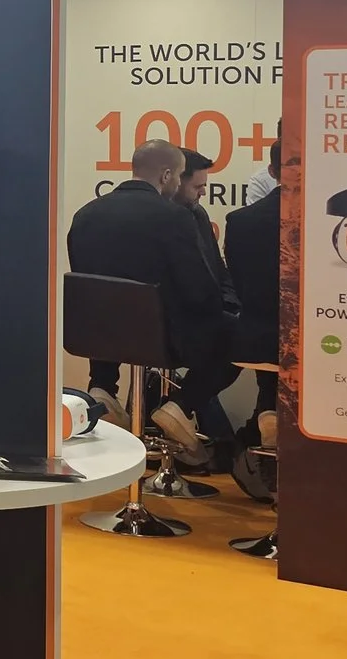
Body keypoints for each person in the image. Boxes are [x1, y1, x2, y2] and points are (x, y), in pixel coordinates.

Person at [66, 139, 232, 464]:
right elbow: (200, 291)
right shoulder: (175, 218)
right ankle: (180, 406)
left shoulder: (84, 215)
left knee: (115, 315)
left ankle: (102, 389)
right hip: (161, 342)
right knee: (235, 336)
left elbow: (90, 287)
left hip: (97, 339)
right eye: (180, 176)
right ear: (167, 175)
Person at [171, 148, 243, 464]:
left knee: (242, 332)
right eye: (197, 187)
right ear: (174, 180)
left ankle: (180, 406)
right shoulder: (161, 221)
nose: (203, 193)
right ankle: (181, 406)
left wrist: (230, 304)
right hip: (174, 321)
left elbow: (217, 268)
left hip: (208, 311)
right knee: (237, 339)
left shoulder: (197, 214)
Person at [221, 140, 282, 500]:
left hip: (256, 337)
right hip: (316, 342)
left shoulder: (240, 222)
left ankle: (268, 412)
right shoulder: (326, 219)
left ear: (272, 171)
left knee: (270, 381)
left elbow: (240, 283)